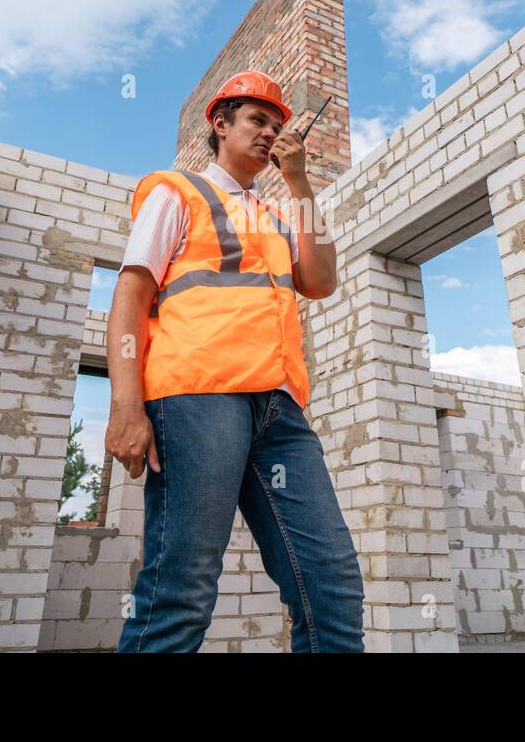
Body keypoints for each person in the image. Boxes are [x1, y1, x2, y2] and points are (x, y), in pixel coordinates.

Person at [107, 69, 365, 653]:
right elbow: (131, 295)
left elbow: (320, 281)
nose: (270, 133)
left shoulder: (275, 219)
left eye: (277, 126)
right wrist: (126, 403)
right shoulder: (179, 192)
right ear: (219, 125)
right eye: (258, 121)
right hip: (198, 397)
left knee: (331, 583)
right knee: (183, 587)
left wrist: (300, 187)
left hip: (278, 410)